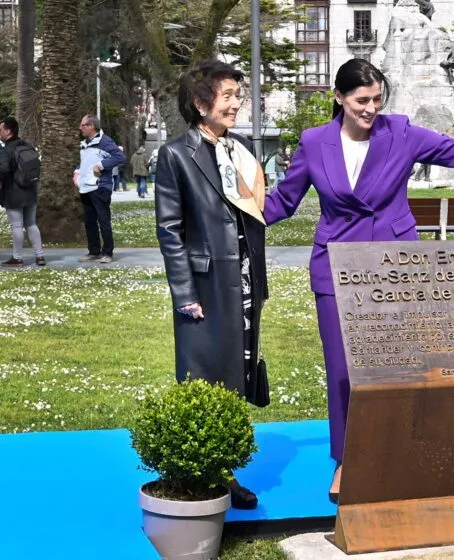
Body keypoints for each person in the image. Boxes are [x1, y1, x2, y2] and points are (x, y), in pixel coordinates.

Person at [263, 58, 454, 502]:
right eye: (362, 101)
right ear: (339, 98)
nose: (370, 109)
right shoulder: (313, 141)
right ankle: (346, 461)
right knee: (343, 373)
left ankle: (401, 454)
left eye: (377, 100)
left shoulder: (399, 132)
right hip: (336, 268)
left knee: (400, 368)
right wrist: (233, 219)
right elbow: (284, 200)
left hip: (396, 269)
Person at [155, 59, 268, 510]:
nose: (237, 104)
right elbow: (170, 229)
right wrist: (184, 293)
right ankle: (198, 474)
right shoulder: (176, 155)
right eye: (229, 96)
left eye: (238, 96)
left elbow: (254, 210)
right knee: (203, 377)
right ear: (201, 104)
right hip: (203, 286)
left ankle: (225, 470)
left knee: (236, 374)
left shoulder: (239, 149)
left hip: (242, 280)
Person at [74, 115, 125, 264]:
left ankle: (107, 253)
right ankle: (94, 251)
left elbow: (120, 157)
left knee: (103, 221)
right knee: (89, 222)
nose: (80, 128)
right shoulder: (85, 143)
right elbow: (84, 162)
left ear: (92, 126)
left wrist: (102, 165)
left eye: (83, 125)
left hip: (100, 187)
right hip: (85, 187)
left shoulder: (105, 142)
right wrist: (77, 172)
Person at [0, 116, 45, 267]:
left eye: (1, 130)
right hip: (30, 190)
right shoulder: (27, 145)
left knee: (17, 225)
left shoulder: (7, 150)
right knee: (31, 224)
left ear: (8, 131)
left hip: (13, 192)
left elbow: (4, 169)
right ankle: (39, 256)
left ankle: (17, 257)